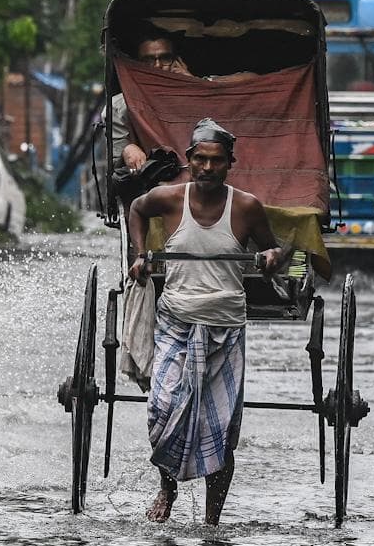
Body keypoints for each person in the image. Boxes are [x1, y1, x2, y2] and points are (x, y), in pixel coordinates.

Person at [126, 118, 288, 525]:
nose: (208, 168)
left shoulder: (246, 206)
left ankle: (212, 522)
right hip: (176, 321)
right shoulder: (169, 198)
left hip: (225, 329)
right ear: (189, 161)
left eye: (216, 161)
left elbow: (273, 251)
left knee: (219, 431)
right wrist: (140, 254)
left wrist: (271, 259)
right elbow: (136, 209)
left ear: (229, 164)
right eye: (201, 160)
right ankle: (167, 488)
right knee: (161, 407)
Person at [111, 31, 193, 171]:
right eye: (148, 60)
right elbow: (117, 153)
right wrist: (128, 149)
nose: (157, 65)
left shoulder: (196, 94)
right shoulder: (120, 106)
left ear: (177, 61)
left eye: (165, 58)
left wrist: (191, 84)